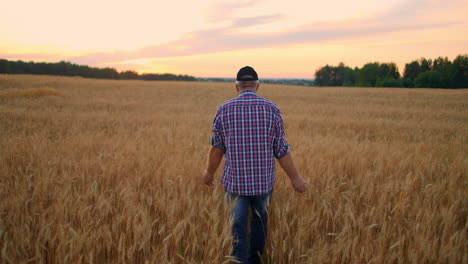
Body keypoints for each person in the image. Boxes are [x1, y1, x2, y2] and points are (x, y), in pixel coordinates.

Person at [202, 66, 307, 264]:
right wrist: (296, 179)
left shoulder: (224, 110)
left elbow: (217, 149)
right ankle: (256, 260)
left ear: (236, 86)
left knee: (237, 227)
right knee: (259, 225)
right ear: (258, 86)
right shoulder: (272, 109)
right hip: (263, 185)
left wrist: (209, 173)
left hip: (235, 185)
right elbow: (281, 150)